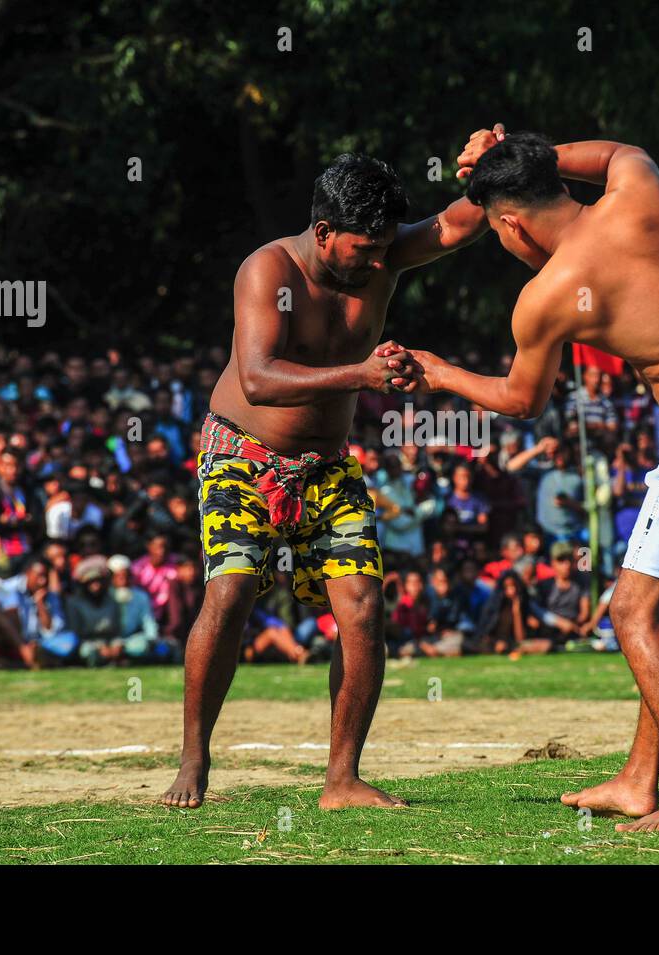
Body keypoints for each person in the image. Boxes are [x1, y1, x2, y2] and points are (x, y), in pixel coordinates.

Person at [409, 125, 659, 832]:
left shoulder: (547, 294)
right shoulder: (636, 185)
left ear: (510, 224)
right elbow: (611, 153)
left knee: (631, 611)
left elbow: (520, 401)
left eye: (498, 233)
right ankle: (638, 778)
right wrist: (512, 152)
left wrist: (438, 372)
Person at [162, 151, 490, 811]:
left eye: (384, 248)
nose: (378, 262)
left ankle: (342, 779)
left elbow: (458, 226)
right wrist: (361, 375)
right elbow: (258, 377)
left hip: (329, 463)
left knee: (364, 608)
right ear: (322, 232)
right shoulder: (268, 270)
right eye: (364, 249)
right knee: (230, 592)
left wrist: (496, 166)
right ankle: (194, 756)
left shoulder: (384, 256)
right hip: (243, 452)